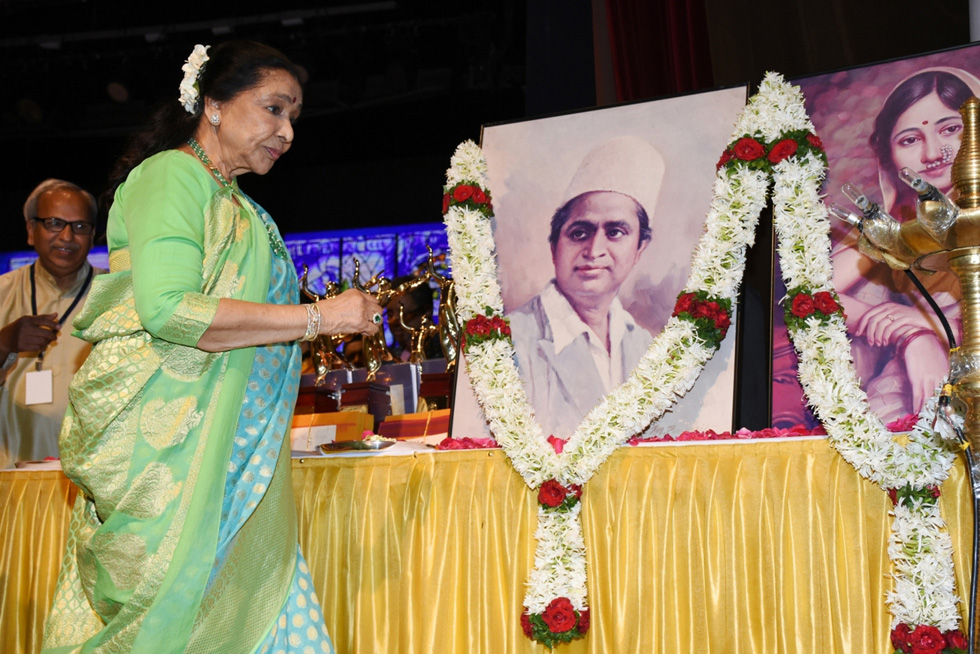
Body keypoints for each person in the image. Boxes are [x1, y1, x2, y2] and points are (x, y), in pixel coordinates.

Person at [41, 41, 381, 654]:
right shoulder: (172, 176)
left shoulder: (245, 209)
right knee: (172, 624)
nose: (286, 132)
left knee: (265, 617)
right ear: (215, 105)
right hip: (171, 456)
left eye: (294, 118)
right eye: (274, 109)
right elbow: (169, 310)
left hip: (234, 459)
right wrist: (318, 317)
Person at [831, 68, 979, 421]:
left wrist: (931, 321)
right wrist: (913, 333)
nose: (933, 153)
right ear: (889, 155)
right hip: (920, 365)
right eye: (910, 140)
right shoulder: (891, 223)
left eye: (950, 129)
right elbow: (810, 297)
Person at [509, 137, 661, 438]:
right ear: (555, 246)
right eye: (579, 233)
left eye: (615, 232)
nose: (594, 250)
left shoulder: (645, 346)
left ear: (639, 249)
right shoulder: (509, 339)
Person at [0, 179, 100, 469]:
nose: (67, 236)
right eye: (55, 223)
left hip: (91, 479)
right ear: (32, 230)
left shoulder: (115, 298)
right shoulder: (3, 293)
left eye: (80, 226)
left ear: (93, 236)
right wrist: (5, 341)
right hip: (10, 476)